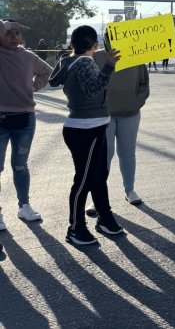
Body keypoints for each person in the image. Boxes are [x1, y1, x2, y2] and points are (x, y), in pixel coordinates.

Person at [49, 25, 124, 246]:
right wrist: (109, 66)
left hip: (87, 127)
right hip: (86, 128)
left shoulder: (69, 61)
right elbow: (93, 90)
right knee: (84, 181)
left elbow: (53, 81)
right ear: (95, 45)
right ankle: (75, 228)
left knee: (97, 176)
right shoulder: (85, 62)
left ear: (72, 44)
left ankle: (105, 218)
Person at [0, 20, 52, 231]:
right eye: (9, 33)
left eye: (17, 33)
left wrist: (34, 86)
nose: (14, 37)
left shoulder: (29, 57)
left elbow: (47, 71)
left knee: (20, 166)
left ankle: (24, 205)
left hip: (25, 120)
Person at [85, 49, 149, 214]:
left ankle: (130, 190)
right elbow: (89, 83)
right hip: (103, 114)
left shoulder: (136, 55)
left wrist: (137, 103)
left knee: (127, 153)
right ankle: (96, 198)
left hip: (130, 113)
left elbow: (144, 84)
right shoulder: (96, 56)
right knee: (103, 155)